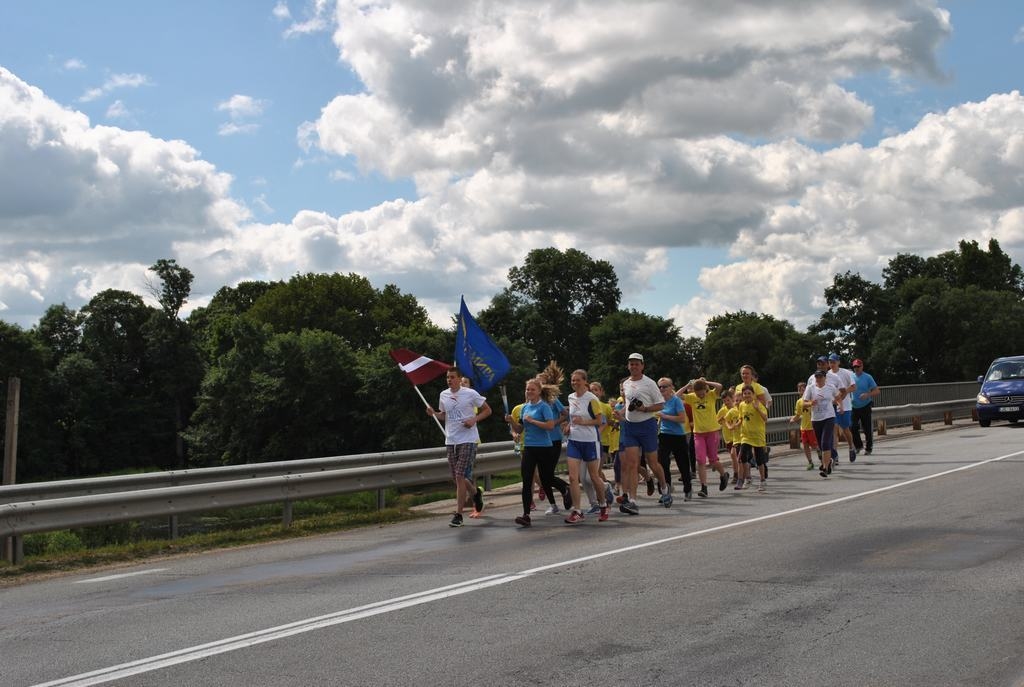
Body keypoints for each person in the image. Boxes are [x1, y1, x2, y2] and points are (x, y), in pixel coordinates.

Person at [426, 367, 492, 527]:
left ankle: (458, 515)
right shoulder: (443, 395)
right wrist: (434, 413)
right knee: (457, 477)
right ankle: (476, 494)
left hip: (468, 439)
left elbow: (488, 410)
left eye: (453, 377)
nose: (449, 380)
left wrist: (473, 420)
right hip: (451, 439)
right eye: (448, 377)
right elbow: (444, 415)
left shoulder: (470, 393)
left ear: (459, 378)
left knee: (460, 475)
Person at [618, 353, 671, 514]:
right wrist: (622, 415)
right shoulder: (626, 384)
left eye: (636, 364)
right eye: (631, 364)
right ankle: (633, 501)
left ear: (642, 366)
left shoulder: (649, 383)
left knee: (653, 463)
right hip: (630, 428)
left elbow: (661, 404)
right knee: (632, 464)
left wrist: (645, 409)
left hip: (647, 426)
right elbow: (627, 404)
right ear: (628, 366)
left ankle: (664, 487)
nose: (633, 366)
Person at [506, 378, 558, 527]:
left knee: (547, 480)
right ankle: (526, 515)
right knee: (527, 480)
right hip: (529, 447)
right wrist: (511, 421)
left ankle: (565, 491)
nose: (529, 392)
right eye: (527, 389)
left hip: (544, 447)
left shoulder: (544, 407)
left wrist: (533, 421)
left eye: (532, 389)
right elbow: (520, 429)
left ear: (539, 391)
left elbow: (550, 426)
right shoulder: (524, 408)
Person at [564, 369, 610, 523]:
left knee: (594, 477)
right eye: (572, 380)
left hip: (590, 441)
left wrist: (582, 422)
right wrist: (569, 426)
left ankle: (603, 505)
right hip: (574, 441)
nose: (574, 383)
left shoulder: (591, 399)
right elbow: (573, 417)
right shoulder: (570, 397)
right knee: (572, 477)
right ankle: (577, 511)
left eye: (578, 380)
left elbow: (599, 421)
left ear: (585, 381)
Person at [678, 378, 730, 496]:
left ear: (705, 390)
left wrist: (706, 383)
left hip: (712, 432)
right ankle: (704, 488)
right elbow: (676, 396)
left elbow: (719, 385)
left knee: (713, 460)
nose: (700, 395)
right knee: (700, 460)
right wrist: (687, 385)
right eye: (698, 393)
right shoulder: (692, 397)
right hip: (698, 433)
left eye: (702, 393)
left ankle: (723, 474)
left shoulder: (711, 395)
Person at [656, 377, 692, 502]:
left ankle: (687, 489)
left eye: (664, 386)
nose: (662, 389)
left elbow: (682, 419)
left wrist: (665, 416)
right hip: (664, 435)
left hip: (678, 436)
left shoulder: (676, 401)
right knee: (663, 463)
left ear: (671, 387)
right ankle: (666, 491)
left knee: (683, 464)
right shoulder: (658, 402)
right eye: (660, 387)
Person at [803, 369, 841, 477]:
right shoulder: (810, 388)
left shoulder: (830, 387)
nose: (818, 379)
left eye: (820, 377)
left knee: (825, 443)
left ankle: (824, 467)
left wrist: (840, 406)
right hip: (816, 419)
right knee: (820, 444)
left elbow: (838, 397)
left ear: (825, 377)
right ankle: (828, 464)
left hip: (829, 417)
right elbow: (804, 403)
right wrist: (811, 403)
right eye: (817, 377)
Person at [736, 385, 769, 492]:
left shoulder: (758, 404)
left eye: (749, 393)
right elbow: (741, 418)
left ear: (753, 394)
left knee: (759, 460)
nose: (747, 396)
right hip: (745, 436)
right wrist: (736, 425)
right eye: (745, 394)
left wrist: (757, 408)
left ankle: (762, 480)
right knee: (742, 457)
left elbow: (765, 418)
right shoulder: (741, 405)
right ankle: (748, 478)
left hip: (758, 435)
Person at [828, 353, 858, 462]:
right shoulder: (827, 375)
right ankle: (834, 454)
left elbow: (854, 387)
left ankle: (851, 447)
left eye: (834, 362)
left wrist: (843, 392)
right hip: (832, 406)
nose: (832, 364)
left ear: (838, 362)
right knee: (833, 429)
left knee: (845, 429)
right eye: (830, 362)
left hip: (845, 406)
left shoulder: (846, 373)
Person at [850, 359, 879, 455]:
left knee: (867, 428)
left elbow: (877, 391)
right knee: (852, 427)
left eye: (858, 366)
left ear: (862, 366)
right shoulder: (850, 377)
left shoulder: (868, 377)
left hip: (865, 405)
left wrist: (867, 394)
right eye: (855, 367)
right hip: (853, 406)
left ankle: (869, 448)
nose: (856, 368)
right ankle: (858, 446)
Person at [789, 381, 820, 469]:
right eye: (799, 389)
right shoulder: (799, 402)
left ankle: (819, 451)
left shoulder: (811, 400)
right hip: (803, 427)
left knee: (814, 446)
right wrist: (793, 419)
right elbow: (798, 415)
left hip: (812, 427)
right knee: (805, 445)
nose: (801, 391)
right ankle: (810, 462)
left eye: (803, 389)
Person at [717, 389, 741, 481]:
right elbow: (717, 421)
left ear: (732, 399)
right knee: (734, 457)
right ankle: (738, 473)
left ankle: (737, 475)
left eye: (728, 400)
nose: (726, 402)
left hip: (737, 437)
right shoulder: (722, 410)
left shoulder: (736, 409)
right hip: (728, 437)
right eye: (724, 401)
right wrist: (721, 419)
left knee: (734, 455)